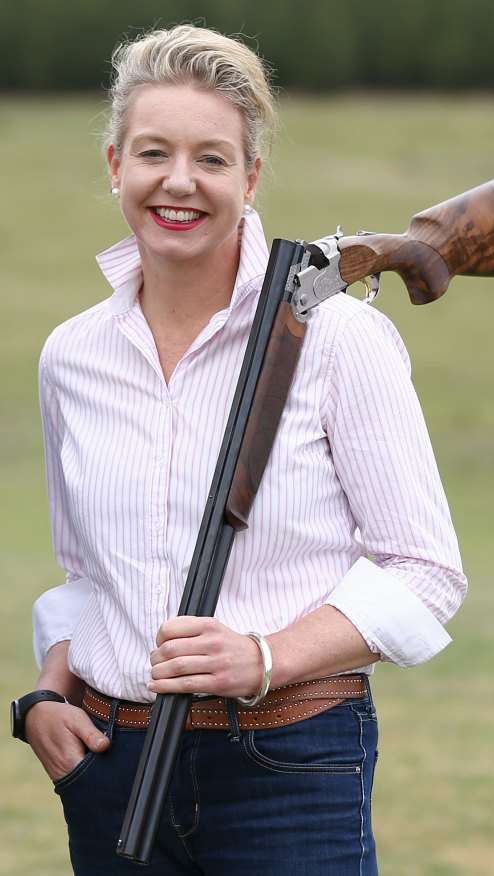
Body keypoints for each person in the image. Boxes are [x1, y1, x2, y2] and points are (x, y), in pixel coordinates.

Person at [12, 24, 467, 875]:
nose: (178, 181)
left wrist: (263, 657)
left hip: (286, 765)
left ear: (251, 178)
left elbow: (425, 570)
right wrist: (45, 698)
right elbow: (85, 577)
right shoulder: (72, 356)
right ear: (115, 165)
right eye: (152, 153)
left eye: (213, 159)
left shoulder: (339, 339)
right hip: (114, 768)